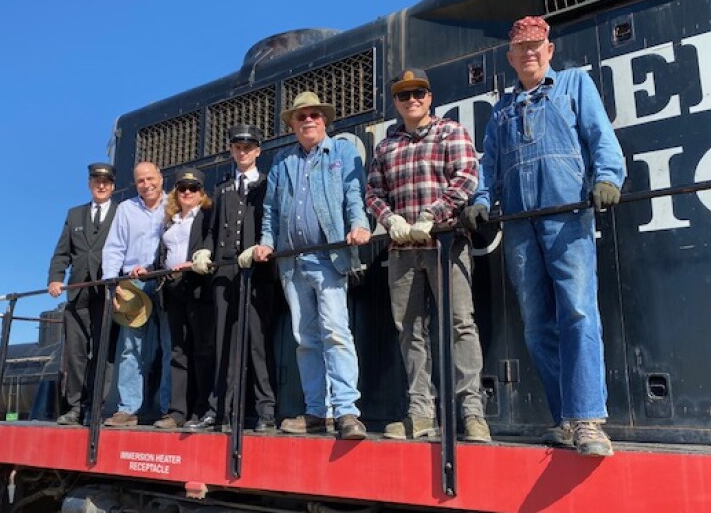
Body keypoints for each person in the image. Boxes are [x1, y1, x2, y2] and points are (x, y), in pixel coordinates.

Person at [462, 16, 626, 456]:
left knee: (577, 312)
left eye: (537, 45)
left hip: (567, 216)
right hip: (519, 224)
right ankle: (564, 418)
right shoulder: (501, 111)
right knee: (537, 324)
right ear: (511, 57)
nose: (530, 52)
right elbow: (488, 165)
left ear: (549, 50)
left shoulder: (575, 85)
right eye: (522, 48)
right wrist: (480, 198)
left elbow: (601, 138)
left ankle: (588, 419)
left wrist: (608, 177)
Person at [365, 69, 490, 442]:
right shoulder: (386, 147)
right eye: (404, 95)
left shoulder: (451, 132)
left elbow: (466, 176)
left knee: (460, 325)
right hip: (403, 251)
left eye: (418, 92)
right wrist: (391, 221)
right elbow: (373, 193)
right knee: (410, 332)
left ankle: (472, 413)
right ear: (396, 103)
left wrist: (429, 216)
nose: (412, 100)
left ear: (430, 96)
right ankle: (421, 412)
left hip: (446, 244)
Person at [254, 91, 371, 440]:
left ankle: (347, 411)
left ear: (325, 120)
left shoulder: (343, 153)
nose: (309, 120)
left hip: (329, 257)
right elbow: (272, 211)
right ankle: (318, 411)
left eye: (315, 115)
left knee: (336, 332)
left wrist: (359, 225)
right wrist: (267, 243)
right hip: (292, 263)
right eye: (302, 116)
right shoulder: (282, 163)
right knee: (305, 338)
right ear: (292, 123)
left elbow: (354, 195)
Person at [188, 125, 277, 433]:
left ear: (258, 151)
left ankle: (265, 411)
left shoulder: (267, 184)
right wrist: (203, 251)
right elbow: (211, 231)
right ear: (231, 150)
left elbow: (272, 222)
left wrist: (259, 248)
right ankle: (218, 410)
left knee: (257, 342)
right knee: (222, 342)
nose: (243, 151)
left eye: (248, 147)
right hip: (224, 274)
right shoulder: (223, 188)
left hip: (257, 273)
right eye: (238, 147)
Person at [134, 168, 214, 430]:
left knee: (202, 349)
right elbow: (162, 254)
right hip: (172, 288)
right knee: (178, 351)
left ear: (201, 193)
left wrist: (196, 261)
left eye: (193, 188)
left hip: (197, 285)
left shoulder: (206, 216)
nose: (187, 192)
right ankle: (177, 411)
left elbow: (211, 245)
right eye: (182, 188)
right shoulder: (169, 221)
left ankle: (203, 409)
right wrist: (150, 270)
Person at [101, 161, 171, 426]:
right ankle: (127, 408)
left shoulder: (173, 204)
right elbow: (114, 248)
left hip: (164, 281)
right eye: (141, 180)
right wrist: (112, 284)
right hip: (132, 286)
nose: (147, 184)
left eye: (151, 178)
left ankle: (167, 408)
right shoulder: (126, 209)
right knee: (131, 348)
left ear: (161, 178)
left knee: (169, 344)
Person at [47, 163, 117, 425]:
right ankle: (74, 407)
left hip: (107, 291)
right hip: (77, 292)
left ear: (113, 186)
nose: (101, 186)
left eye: (106, 182)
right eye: (97, 181)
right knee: (76, 354)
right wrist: (55, 278)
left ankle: (96, 407)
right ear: (90, 184)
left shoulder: (121, 214)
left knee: (103, 351)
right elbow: (62, 251)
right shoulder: (74, 215)